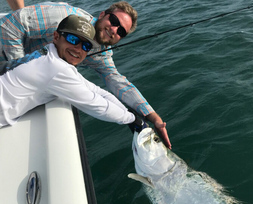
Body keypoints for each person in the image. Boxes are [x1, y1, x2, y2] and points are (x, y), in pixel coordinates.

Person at [2, 0, 172, 149]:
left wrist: (152, 116)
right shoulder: (67, 16)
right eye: (113, 21)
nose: (114, 30)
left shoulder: (98, 53)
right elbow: (10, 23)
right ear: (103, 14)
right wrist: (18, 66)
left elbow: (115, 83)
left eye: (121, 32)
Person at [0, 14, 146, 131]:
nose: (78, 49)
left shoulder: (49, 55)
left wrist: (128, 112)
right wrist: (133, 121)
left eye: (86, 45)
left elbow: (97, 90)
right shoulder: (57, 68)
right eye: (73, 39)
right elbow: (99, 106)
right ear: (56, 37)